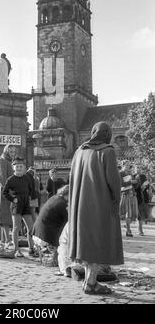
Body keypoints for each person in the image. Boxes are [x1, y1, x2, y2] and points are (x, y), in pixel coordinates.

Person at [68, 121, 123, 295]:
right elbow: (114, 182)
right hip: (100, 203)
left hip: (79, 204)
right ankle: (91, 283)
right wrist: (116, 201)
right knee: (97, 241)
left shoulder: (79, 152)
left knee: (85, 241)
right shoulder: (107, 151)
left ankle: (88, 281)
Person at [3, 157, 35, 257]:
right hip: (16, 205)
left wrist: (29, 198)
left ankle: (31, 249)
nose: (19, 168)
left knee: (31, 227)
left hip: (26, 203)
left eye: (21, 166)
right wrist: (13, 199)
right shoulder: (10, 179)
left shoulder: (27, 178)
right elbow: (4, 192)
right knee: (16, 227)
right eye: (17, 166)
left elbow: (31, 189)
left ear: (24, 167)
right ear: (13, 168)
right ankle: (17, 249)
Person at [32, 185, 69, 266]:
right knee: (65, 233)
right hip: (44, 236)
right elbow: (69, 221)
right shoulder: (62, 204)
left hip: (36, 233)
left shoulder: (54, 198)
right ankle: (55, 260)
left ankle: (53, 259)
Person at [0, 144, 17, 252]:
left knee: (8, 214)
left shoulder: (12, 162)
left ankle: (4, 241)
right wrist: (10, 191)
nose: (12, 153)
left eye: (13, 152)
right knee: (4, 216)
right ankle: (7, 240)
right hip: (4, 191)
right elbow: (1, 177)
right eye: (10, 151)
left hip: (10, 190)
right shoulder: (2, 161)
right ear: (6, 151)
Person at [119, 161, 139, 237]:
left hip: (133, 194)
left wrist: (137, 180)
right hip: (125, 195)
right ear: (123, 165)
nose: (128, 167)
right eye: (127, 165)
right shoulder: (120, 173)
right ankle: (128, 231)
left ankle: (127, 226)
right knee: (128, 213)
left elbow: (136, 186)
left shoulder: (131, 173)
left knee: (135, 214)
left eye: (129, 165)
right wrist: (131, 181)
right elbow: (121, 184)